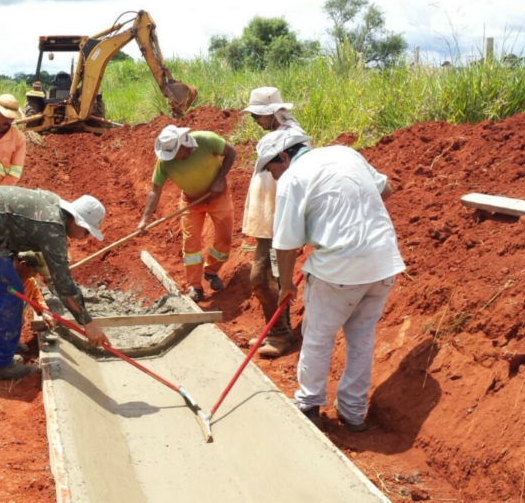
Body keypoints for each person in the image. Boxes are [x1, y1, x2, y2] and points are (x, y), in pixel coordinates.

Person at [259, 132, 404, 432]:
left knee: (318, 335)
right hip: (383, 261)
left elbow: (284, 244)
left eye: (272, 169)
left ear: (283, 157)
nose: (274, 176)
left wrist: (286, 284)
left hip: (340, 269)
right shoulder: (345, 154)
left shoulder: (292, 178)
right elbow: (385, 190)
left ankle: (309, 403)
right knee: (361, 337)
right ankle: (352, 413)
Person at [0, 186, 110, 380]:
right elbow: (64, 285)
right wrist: (87, 323)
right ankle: (0, 364)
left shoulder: (52, 204)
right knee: (10, 296)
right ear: (76, 220)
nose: (86, 237)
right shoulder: (53, 229)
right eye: (87, 231)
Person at [241, 87, 310, 357]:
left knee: (263, 278)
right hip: (268, 222)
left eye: (257, 115)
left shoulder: (290, 139)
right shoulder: (276, 136)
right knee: (271, 278)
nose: (254, 121)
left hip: (279, 223)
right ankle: (277, 330)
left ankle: (280, 334)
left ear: (272, 113)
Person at [136, 125, 236, 301]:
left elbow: (231, 153)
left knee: (224, 239)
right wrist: (144, 220)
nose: (172, 158)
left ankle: (211, 272)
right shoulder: (165, 163)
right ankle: (194, 286)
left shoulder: (207, 140)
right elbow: (155, 190)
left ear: (182, 144)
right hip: (191, 203)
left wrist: (219, 180)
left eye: (174, 153)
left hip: (218, 198)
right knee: (191, 245)